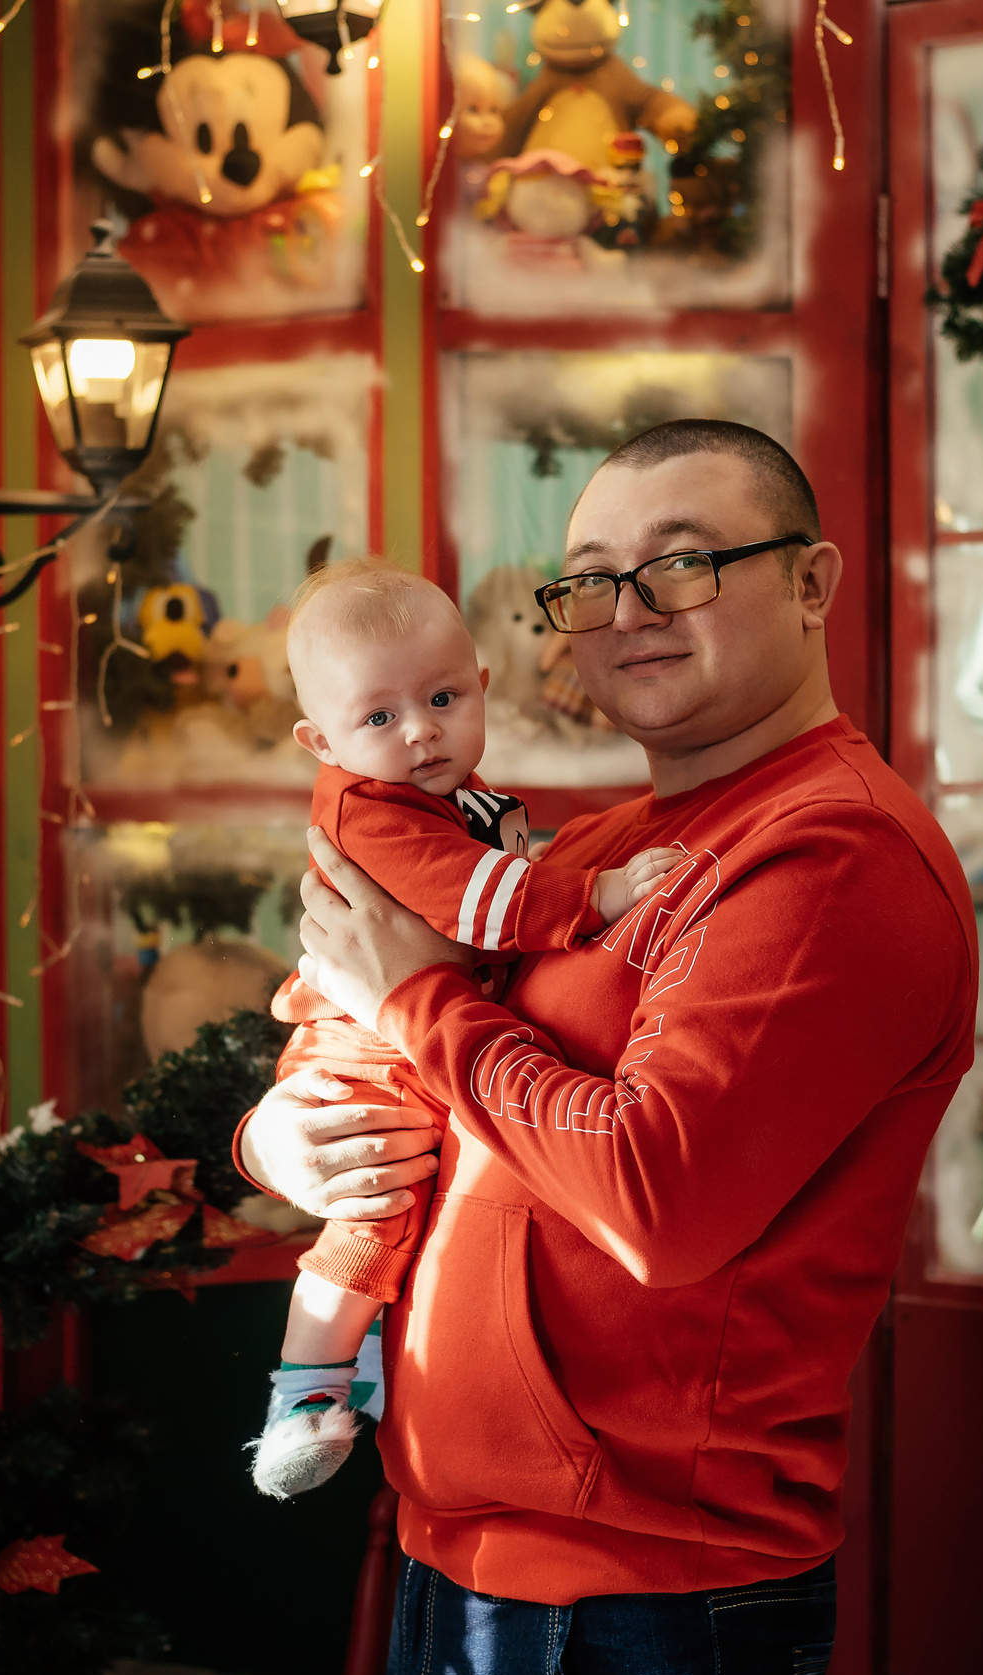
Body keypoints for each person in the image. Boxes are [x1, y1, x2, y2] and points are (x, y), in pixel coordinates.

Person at [235, 421, 978, 1675]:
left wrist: (410, 993)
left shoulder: (827, 859)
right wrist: (286, 1135)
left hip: (640, 1601)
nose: (626, 611)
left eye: (680, 565)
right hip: (455, 1548)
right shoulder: (597, 850)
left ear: (812, 582)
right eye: (589, 579)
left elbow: (651, 1192)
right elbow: (401, 1056)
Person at [248, 556, 679, 1498]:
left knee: (388, 1200)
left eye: (444, 696)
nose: (421, 731)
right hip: (368, 1046)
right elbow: (476, 895)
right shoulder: (377, 812)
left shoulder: (448, 797)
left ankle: (348, 1371)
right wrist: (596, 894)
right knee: (374, 1207)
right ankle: (302, 1392)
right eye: (378, 718)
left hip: (397, 1031)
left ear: (484, 685)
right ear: (319, 741)